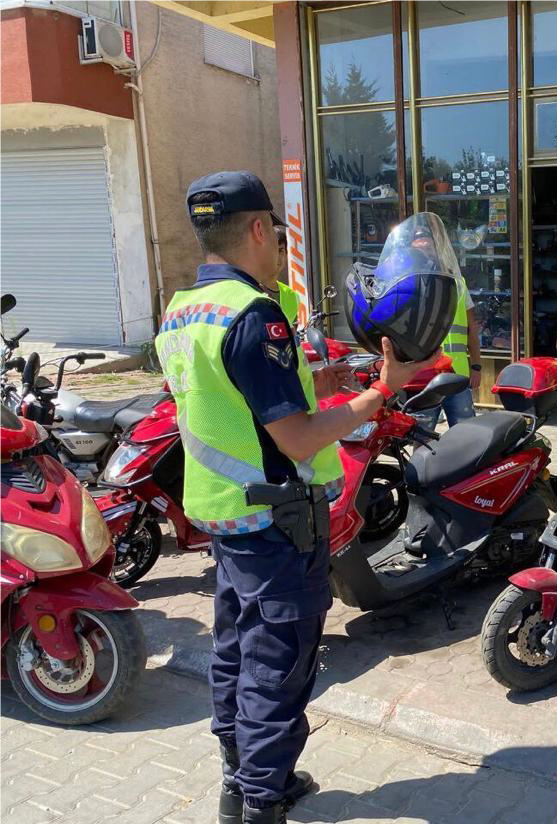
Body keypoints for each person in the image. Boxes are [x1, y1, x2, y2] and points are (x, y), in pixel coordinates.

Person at [155, 171, 436, 824]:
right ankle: (261, 803)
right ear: (259, 229)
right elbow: (299, 436)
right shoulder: (253, 316)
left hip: (227, 514)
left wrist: (319, 378)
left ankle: (239, 782)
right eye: (278, 234)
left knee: (236, 651)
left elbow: (227, 397)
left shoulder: (185, 308)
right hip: (276, 519)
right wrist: (381, 390)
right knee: (276, 668)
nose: (281, 246)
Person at [424, 241, 482, 429]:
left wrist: (476, 366)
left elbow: (471, 329)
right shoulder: (414, 284)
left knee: (465, 434)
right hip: (426, 373)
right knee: (421, 435)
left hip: (455, 373)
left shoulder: (458, 283)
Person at [264, 224, 301, 325]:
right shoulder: (249, 288)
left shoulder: (292, 296)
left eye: (281, 250)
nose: (277, 256)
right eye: (272, 250)